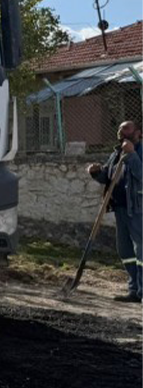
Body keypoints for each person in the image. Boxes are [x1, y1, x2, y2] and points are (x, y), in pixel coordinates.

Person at [87, 121, 143, 302]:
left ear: (138, 133)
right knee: (125, 251)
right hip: (120, 208)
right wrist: (96, 172)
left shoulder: (139, 151)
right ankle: (134, 290)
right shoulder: (116, 153)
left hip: (138, 209)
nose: (121, 131)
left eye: (126, 128)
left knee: (141, 250)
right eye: (119, 129)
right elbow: (110, 176)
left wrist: (132, 153)